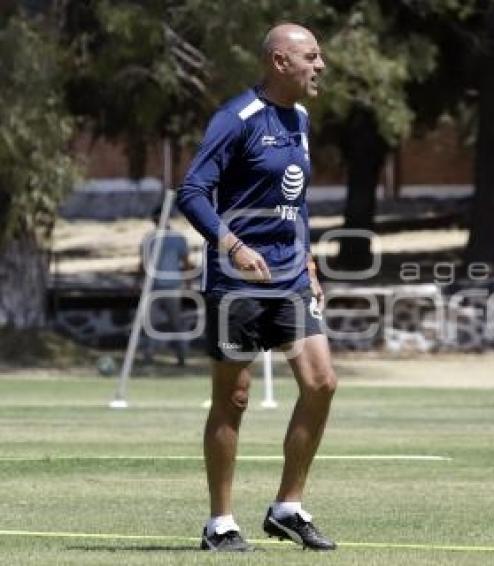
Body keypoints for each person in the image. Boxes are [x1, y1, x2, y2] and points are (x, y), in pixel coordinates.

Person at [176, 22, 336, 552]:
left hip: (290, 275)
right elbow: (193, 192)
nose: (321, 65)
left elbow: (298, 203)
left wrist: (309, 260)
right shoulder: (236, 118)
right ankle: (219, 521)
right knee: (235, 398)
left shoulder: (302, 118)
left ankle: (287, 507)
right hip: (236, 280)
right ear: (279, 62)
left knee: (321, 383)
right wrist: (233, 246)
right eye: (311, 57)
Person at [138, 207, 192, 366]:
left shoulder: (176, 238)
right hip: (153, 287)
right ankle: (148, 355)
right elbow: (143, 264)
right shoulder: (149, 239)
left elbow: (186, 262)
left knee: (174, 323)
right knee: (150, 322)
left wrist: (188, 283)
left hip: (171, 287)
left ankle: (181, 356)